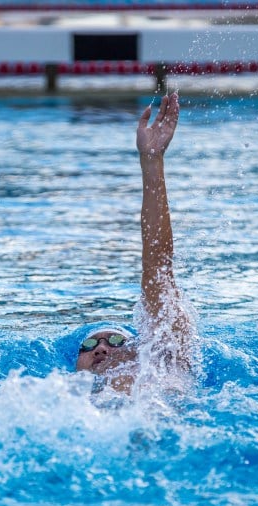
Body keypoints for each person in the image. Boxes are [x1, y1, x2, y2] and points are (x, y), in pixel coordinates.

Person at [74, 93, 195, 395]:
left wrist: (151, 161)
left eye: (115, 341)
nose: (100, 348)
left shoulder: (159, 361)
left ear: (139, 348)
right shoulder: (64, 398)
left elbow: (157, 265)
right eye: (89, 345)